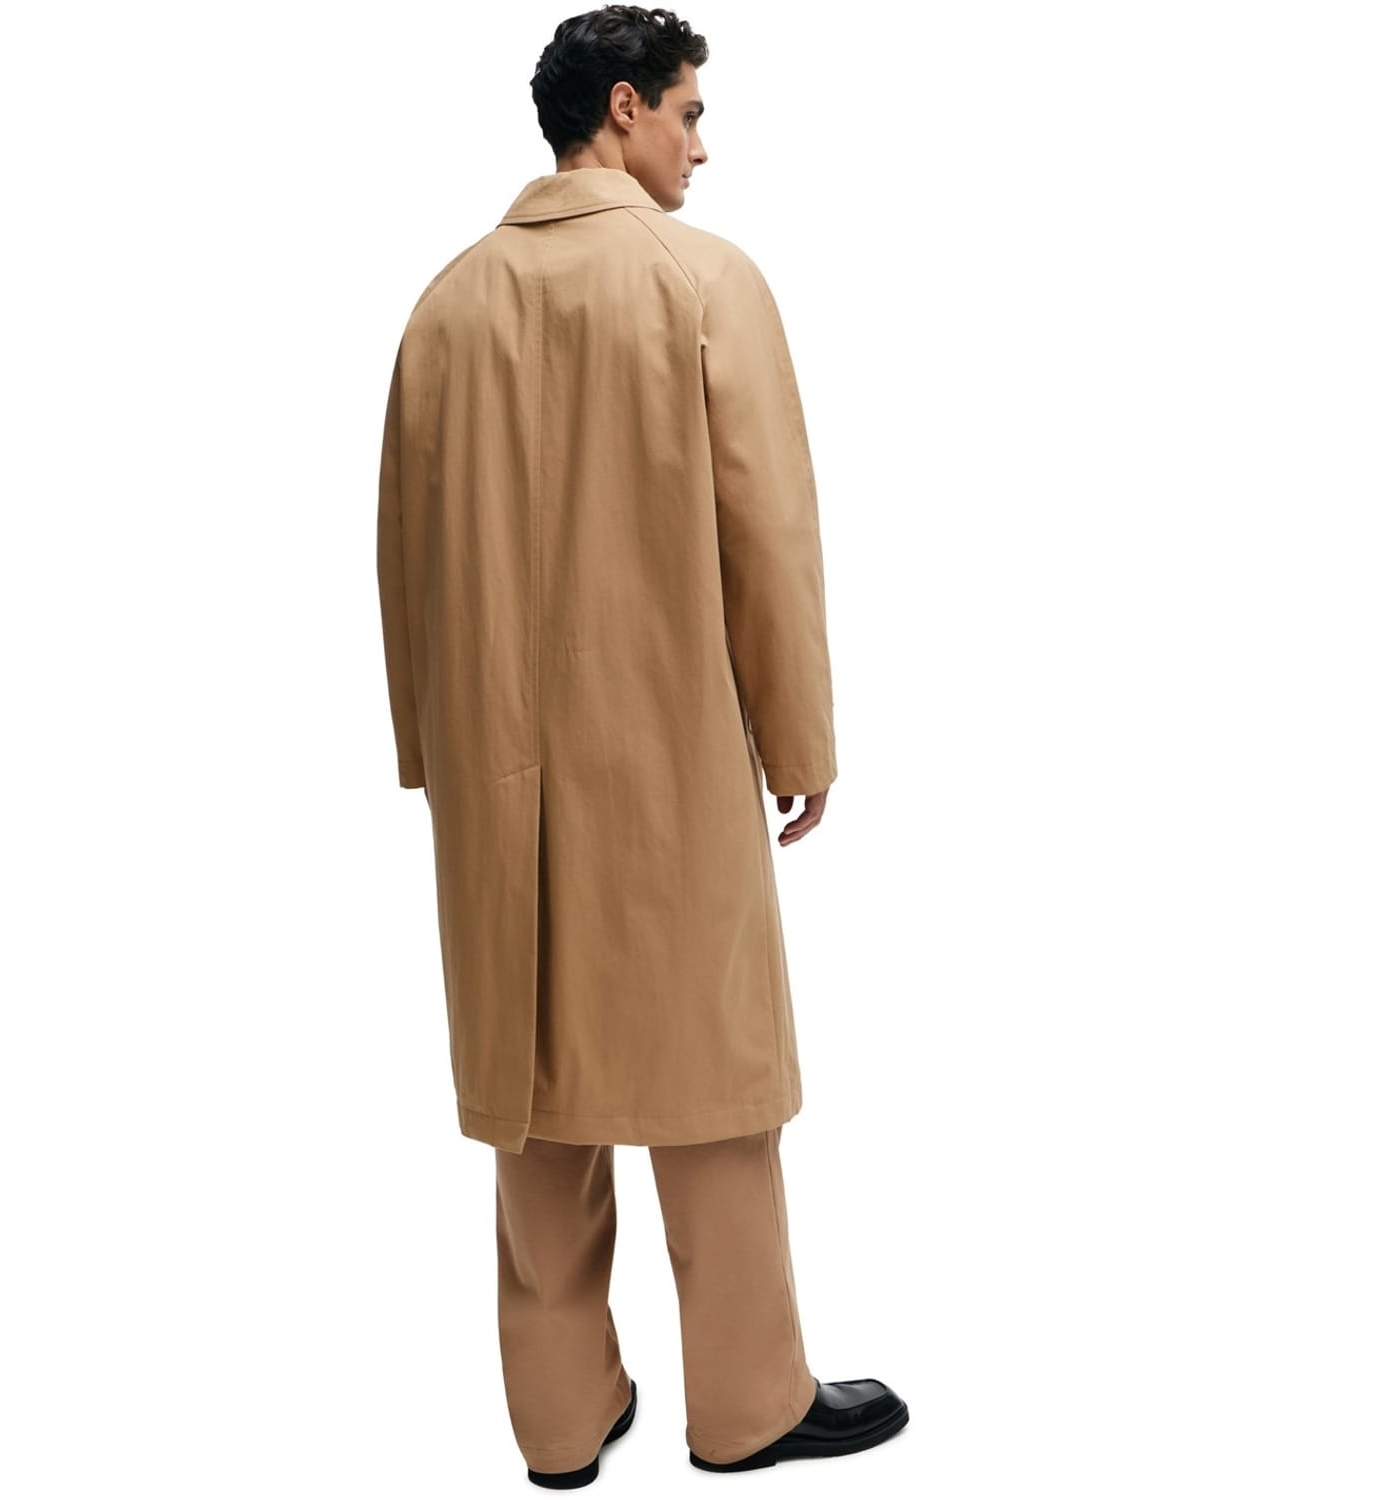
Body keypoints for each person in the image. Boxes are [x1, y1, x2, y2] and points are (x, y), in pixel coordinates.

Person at [376, 5, 907, 1486]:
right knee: (713, 1084)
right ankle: (750, 1405)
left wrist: (431, 753)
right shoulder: (702, 281)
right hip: (670, 765)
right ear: (623, 108)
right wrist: (800, 735)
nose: (702, 145)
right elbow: (768, 534)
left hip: (497, 781)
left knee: (534, 1097)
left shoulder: (446, 305)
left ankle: (560, 1420)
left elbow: (403, 553)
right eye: (690, 112)